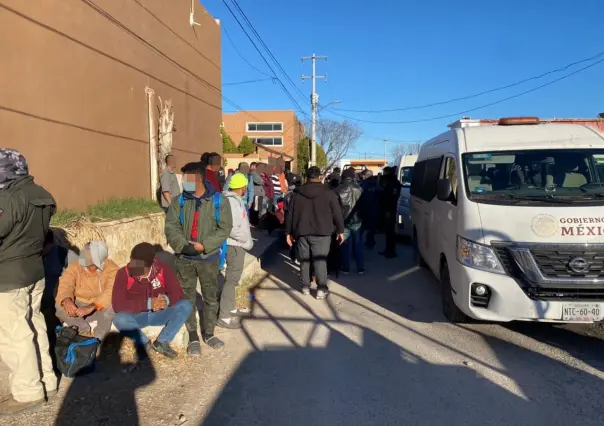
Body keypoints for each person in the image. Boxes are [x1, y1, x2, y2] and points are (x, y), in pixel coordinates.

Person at [0, 149, 58, 415]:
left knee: (14, 334)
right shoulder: (41, 194)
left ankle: (27, 391)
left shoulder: (8, 198)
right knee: (35, 324)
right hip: (35, 270)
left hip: (9, 276)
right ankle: (47, 380)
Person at [165, 162, 233, 354]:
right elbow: (171, 226)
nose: (184, 182)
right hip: (184, 258)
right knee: (187, 299)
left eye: (188, 179)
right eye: (183, 178)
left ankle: (209, 333)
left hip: (208, 258)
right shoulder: (179, 201)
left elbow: (224, 228)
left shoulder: (219, 201)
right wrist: (182, 245)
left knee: (210, 297)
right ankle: (193, 336)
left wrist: (205, 245)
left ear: (200, 179)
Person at [112, 243, 193, 359]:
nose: (133, 266)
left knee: (185, 305)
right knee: (120, 318)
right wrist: (148, 303)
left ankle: (162, 342)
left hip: (160, 313)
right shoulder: (123, 273)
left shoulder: (163, 270)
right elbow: (117, 304)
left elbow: (177, 293)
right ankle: (144, 343)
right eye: (133, 261)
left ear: (150, 263)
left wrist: (166, 300)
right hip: (137, 316)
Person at [285, 166, 345, 300]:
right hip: (323, 232)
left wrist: (288, 232)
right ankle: (321, 289)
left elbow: (289, 214)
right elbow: (337, 213)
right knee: (320, 261)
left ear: (306, 177)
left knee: (304, 260)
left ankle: (305, 286)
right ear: (320, 177)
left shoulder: (297, 193)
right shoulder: (329, 193)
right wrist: (340, 230)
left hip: (301, 231)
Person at [55, 241, 119, 341]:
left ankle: (99, 338)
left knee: (112, 305)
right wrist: (67, 300)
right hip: (79, 305)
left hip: (99, 306)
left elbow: (110, 291)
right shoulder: (75, 266)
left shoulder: (111, 268)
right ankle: (83, 331)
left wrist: (91, 307)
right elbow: (66, 284)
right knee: (59, 305)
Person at [218, 173, 254, 329]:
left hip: (237, 244)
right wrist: (245, 239)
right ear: (242, 187)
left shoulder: (234, 201)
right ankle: (224, 317)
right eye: (245, 186)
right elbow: (231, 227)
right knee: (231, 281)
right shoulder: (232, 202)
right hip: (235, 245)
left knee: (232, 280)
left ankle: (230, 308)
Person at [335, 169, 365, 274]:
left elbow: (335, 207)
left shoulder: (338, 189)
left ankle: (346, 267)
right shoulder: (360, 188)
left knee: (345, 245)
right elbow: (363, 205)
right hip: (357, 220)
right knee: (358, 244)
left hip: (343, 220)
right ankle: (360, 268)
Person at [380, 167, 402, 258]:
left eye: (384, 172)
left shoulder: (393, 183)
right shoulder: (391, 182)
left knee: (390, 231)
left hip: (390, 209)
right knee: (388, 231)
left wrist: (388, 210)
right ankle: (388, 249)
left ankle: (391, 251)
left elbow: (391, 198)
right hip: (388, 209)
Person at [359, 170, 380, 249]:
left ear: (366, 176)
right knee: (372, 227)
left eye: (363, 175)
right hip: (375, 209)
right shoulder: (377, 184)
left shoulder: (362, 185)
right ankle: (370, 242)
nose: (362, 177)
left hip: (365, 209)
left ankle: (360, 244)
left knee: (361, 228)